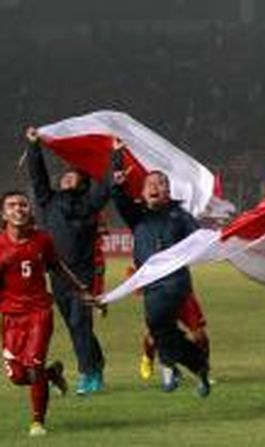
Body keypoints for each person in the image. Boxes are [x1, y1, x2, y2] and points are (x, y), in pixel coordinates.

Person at [110, 138, 211, 397]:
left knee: (160, 327)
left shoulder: (179, 215)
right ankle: (197, 366)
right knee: (162, 331)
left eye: (161, 183)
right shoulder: (138, 216)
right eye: (150, 184)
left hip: (175, 283)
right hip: (151, 285)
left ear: (168, 191)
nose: (156, 186)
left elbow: (198, 238)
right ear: (143, 192)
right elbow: (118, 198)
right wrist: (117, 164)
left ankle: (169, 367)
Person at [0, 190, 95, 436]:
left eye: (23, 205)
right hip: (11, 318)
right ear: (3, 214)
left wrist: (82, 290)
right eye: (12, 205)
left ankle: (37, 422)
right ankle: (51, 373)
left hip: (39, 313)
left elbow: (58, 267)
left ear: (29, 210)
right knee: (19, 377)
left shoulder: (42, 240)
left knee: (32, 365)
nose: (18, 209)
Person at [26, 127, 109, 395]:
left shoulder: (89, 204)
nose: (65, 177)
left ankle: (88, 373)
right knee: (76, 325)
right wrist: (33, 148)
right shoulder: (49, 201)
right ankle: (96, 364)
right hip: (58, 275)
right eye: (64, 175)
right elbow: (38, 178)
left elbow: (105, 184)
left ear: (83, 182)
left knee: (79, 323)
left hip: (83, 274)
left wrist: (114, 156)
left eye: (72, 175)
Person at [139, 290, 210, 383]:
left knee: (200, 336)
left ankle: (202, 373)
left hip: (183, 296)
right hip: (160, 298)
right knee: (153, 335)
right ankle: (148, 358)